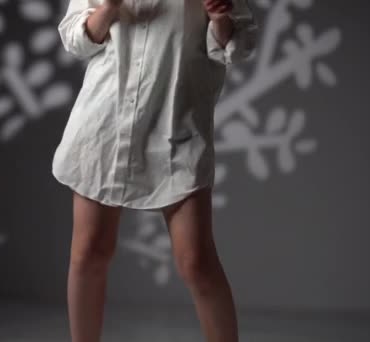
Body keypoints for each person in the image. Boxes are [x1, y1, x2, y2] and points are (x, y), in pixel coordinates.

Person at [52, 0, 258, 340]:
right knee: (89, 252)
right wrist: (109, 8)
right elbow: (76, 38)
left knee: (196, 261)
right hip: (104, 124)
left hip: (176, 125)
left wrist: (220, 19)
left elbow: (239, 44)